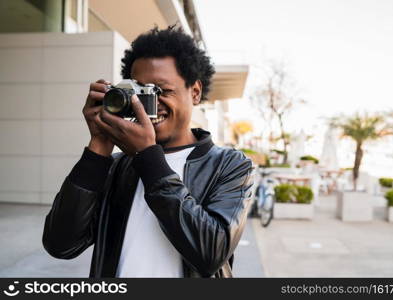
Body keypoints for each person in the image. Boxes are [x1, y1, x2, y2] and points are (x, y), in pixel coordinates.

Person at [42, 26, 254, 278]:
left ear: (195, 92)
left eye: (161, 91)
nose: (147, 106)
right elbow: (60, 245)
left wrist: (148, 158)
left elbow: (210, 254)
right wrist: (99, 145)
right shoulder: (116, 166)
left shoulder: (230, 165)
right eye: (139, 93)